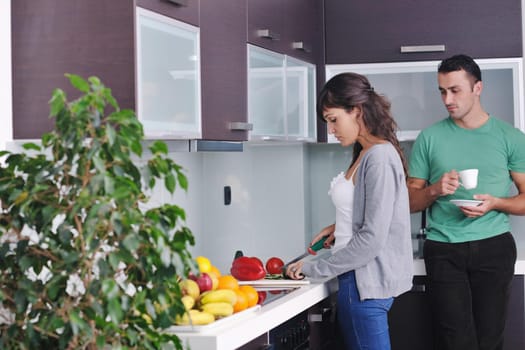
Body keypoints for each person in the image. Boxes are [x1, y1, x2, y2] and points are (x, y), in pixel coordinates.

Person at [285, 72, 413, 350]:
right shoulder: (366, 152)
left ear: (356, 111)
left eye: (333, 119)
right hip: (356, 282)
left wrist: (314, 269)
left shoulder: (378, 157)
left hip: (361, 285)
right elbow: (370, 214)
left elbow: (371, 240)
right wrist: (338, 226)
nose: (331, 129)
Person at [407, 54, 525, 350]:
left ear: (478, 88)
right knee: (454, 341)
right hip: (443, 249)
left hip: (494, 246)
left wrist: (496, 202)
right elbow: (408, 201)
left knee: (489, 340)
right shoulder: (429, 138)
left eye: (455, 90)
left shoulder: (510, 137)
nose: (447, 99)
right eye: (442, 91)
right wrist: (435, 190)